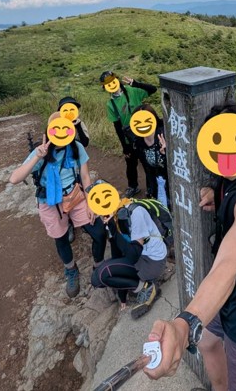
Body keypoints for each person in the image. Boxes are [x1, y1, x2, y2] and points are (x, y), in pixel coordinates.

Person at [145, 102, 236, 391]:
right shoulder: (233, 177)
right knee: (207, 341)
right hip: (229, 300)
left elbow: (227, 266)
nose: (227, 150)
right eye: (217, 139)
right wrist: (217, 195)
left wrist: (183, 326)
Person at [9, 112, 107, 298]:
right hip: (50, 201)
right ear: (49, 131)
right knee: (60, 237)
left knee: (99, 232)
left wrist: (91, 202)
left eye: (65, 128)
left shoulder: (76, 147)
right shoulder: (41, 152)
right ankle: (71, 269)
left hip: (75, 196)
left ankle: (99, 265)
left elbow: (85, 177)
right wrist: (37, 157)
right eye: (57, 129)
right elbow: (15, 178)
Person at [90, 184, 168, 319]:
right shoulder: (114, 217)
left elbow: (132, 255)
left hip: (152, 261)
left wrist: (113, 229)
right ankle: (140, 286)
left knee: (103, 273)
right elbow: (117, 253)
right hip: (141, 259)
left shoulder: (134, 212)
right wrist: (122, 296)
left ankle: (147, 287)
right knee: (96, 279)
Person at [101, 70, 157, 198]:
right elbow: (117, 126)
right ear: (105, 88)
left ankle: (151, 189)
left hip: (144, 134)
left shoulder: (132, 91)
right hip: (129, 138)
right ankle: (133, 187)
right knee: (131, 164)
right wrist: (124, 146)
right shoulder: (111, 104)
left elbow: (153, 89)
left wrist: (135, 83)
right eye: (107, 84)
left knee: (147, 163)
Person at [130, 105, 169, 207]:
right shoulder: (138, 141)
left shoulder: (165, 134)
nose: (142, 124)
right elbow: (146, 167)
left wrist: (167, 153)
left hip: (169, 181)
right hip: (154, 181)